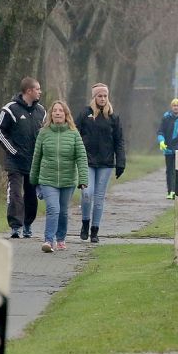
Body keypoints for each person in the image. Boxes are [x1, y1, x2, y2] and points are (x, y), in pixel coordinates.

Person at [29, 101, 88, 253]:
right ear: (50, 115)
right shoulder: (44, 133)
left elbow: (81, 157)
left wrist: (83, 180)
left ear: (66, 114)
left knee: (63, 211)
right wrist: (34, 180)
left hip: (67, 180)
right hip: (48, 179)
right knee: (52, 209)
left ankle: (61, 238)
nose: (57, 113)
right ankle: (49, 240)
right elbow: (36, 157)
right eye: (54, 110)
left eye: (60, 110)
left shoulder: (74, 133)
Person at [0, 77, 46, 239]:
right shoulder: (10, 109)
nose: (40, 92)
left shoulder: (41, 111)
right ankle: (16, 227)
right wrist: (13, 150)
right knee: (15, 193)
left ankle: (28, 225)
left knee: (31, 195)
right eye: (37, 89)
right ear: (29, 91)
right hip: (15, 161)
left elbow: (45, 133)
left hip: (33, 162)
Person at [76, 83, 126, 244]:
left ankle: (95, 230)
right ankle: (85, 223)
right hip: (87, 161)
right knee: (86, 194)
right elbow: (74, 134)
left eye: (105, 96)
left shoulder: (113, 117)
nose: (103, 98)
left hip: (105, 163)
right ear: (94, 97)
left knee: (99, 198)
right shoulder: (85, 114)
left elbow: (119, 141)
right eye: (99, 96)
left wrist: (121, 162)